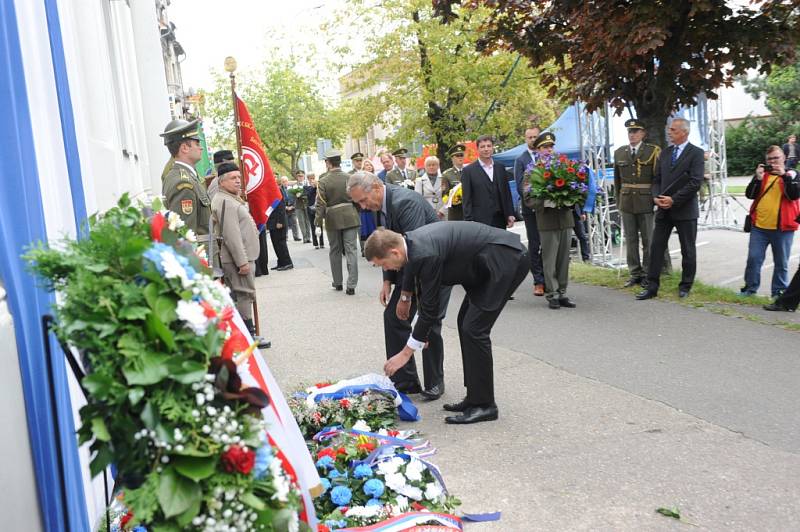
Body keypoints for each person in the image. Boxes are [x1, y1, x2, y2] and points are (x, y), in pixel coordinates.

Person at [366, 224, 528, 424]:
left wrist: (405, 353)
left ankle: (485, 405)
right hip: (486, 264)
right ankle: (475, 397)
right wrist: (418, 330)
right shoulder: (410, 245)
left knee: (475, 329)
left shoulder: (424, 252)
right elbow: (422, 293)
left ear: (394, 252)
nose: (386, 269)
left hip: (505, 261)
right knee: (465, 323)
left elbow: (430, 309)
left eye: (383, 264)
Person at [348, 172, 449, 399]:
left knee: (429, 320)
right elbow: (384, 244)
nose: (363, 207)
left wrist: (405, 296)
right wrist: (387, 281)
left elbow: (413, 252)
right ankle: (404, 380)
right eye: (359, 203)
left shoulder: (405, 203)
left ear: (375, 187)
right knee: (393, 317)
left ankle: (434, 382)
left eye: (363, 200)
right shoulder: (378, 207)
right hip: (409, 269)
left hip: (436, 267)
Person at [637, 117, 704, 300]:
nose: (669, 132)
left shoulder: (696, 153)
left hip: (685, 210)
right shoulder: (665, 153)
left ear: (685, 132)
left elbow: (695, 182)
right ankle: (652, 286)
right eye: (669, 129)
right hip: (663, 209)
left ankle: (685, 285)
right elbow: (656, 179)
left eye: (673, 130)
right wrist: (656, 197)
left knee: (687, 250)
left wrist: (674, 200)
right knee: (656, 247)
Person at [211, 163, 269, 348]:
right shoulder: (226, 201)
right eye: (232, 178)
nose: (237, 181)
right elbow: (231, 234)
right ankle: (248, 337)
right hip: (237, 259)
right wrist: (242, 261)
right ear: (221, 182)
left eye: (238, 177)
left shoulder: (230, 199)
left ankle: (245, 335)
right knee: (244, 295)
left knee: (243, 295)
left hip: (242, 257)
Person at [613, 118, 671, 288]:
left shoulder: (653, 151)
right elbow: (617, 181)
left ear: (643, 134)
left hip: (646, 201)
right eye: (630, 132)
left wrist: (656, 198)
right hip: (626, 201)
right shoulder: (620, 152)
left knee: (648, 239)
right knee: (630, 240)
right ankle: (635, 273)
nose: (632, 135)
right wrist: (619, 201)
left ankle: (648, 273)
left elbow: (657, 178)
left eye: (636, 131)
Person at [523, 132, 577, 309]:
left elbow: (575, 187)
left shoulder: (563, 166)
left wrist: (570, 198)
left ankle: (562, 292)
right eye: (544, 147)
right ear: (537, 150)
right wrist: (545, 201)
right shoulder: (532, 170)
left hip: (565, 219)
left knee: (563, 258)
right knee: (549, 259)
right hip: (546, 220)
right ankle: (552, 293)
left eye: (550, 147)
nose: (548, 150)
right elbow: (528, 198)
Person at [740, 146, 800, 297]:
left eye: (776, 158)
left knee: (781, 262)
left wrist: (784, 176)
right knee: (753, 259)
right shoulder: (763, 174)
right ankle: (749, 289)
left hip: (783, 228)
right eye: (770, 159)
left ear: (784, 158)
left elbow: (793, 196)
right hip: (759, 227)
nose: (773, 162)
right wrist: (758, 179)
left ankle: (778, 291)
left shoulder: (793, 174)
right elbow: (750, 195)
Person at [315, 149, 360, 294]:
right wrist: (355, 211)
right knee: (351, 250)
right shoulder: (350, 177)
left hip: (332, 217)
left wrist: (317, 222)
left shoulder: (323, 181)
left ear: (328, 163)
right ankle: (351, 285)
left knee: (335, 250)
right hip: (350, 215)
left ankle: (338, 282)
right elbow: (357, 197)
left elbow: (321, 203)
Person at [159, 119, 212, 240]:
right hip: (201, 256)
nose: (201, 148)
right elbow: (185, 237)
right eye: (197, 143)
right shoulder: (183, 183)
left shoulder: (184, 176)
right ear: (184, 148)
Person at [514, 126, 546, 296]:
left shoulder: (547, 156)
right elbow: (521, 186)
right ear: (525, 139)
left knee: (547, 244)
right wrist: (534, 202)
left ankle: (549, 277)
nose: (533, 139)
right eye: (530, 137)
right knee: (535, 244)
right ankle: (538, 281)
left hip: (548, 210)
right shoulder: (520, 159)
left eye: (535, 136)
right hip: (530, 209)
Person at [461, 135, 515, 229]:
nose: (486, 149)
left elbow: (507, 192)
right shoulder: (468, 171)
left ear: (492, 148)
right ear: (477, 149)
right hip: (480, 220)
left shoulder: (500, 167)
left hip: (501, 218)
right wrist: (469, 220)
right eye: (482, 147)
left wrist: (510, 213)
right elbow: (467, 199)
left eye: (489, 146)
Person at [268, 179, 294, 271]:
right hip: (272, 221)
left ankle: (287, 263)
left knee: (281, 243)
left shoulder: (277, 191)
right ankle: (281, 262)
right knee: (276, 244)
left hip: (278, 222)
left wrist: (280, 221)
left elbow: (281, 207)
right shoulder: (271, 191)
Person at [357, 159, 379, 256]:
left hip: (376, 205)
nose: (369, 166)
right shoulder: (360, 178)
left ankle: (376, 250)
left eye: (370, 165)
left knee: (376, 229)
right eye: (366, 165)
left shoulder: (376, 177)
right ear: (363, 167)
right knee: (367, 230)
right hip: (366, 208)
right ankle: (368, 250)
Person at [441, 144, 465, 221]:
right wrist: (454, 199)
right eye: (457, 155)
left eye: (461, 155)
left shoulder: (469, 171)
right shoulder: (447, 174)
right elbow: (444, 194)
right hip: (455, 212)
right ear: (452, 158)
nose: (460, 157)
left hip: (469, 211)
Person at [305, 173, 325, 249]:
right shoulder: (306, 187)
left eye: (313, 178)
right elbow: (308, 195)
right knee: (313, 225)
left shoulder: (318, 186)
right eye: (310, 178)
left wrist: (317, 186)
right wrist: (313, 187)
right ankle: (315, 243)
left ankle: (322, 243)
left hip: (318, 208)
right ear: (308, 179)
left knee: (319, 224)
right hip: (310, 208)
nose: (312, 180)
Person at [292, 170, 312, 244]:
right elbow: (292, 196)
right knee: (301, 222)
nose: (300, 177)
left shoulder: (307, 184)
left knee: (307, 221)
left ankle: (308, 237)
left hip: (307, 204)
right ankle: (305, 237)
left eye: (302, 176)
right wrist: (296, 195)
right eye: (299, 176)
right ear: (297, 177)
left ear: (304, 176)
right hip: (298, 205)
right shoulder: (294, 185)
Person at [280, 176, 302, 242]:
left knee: (294, 222)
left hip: (292, 207)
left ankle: (296, 236)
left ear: (288, 181)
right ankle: (285, 237)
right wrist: (285, 207)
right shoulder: (279, 189)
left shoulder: (292, 188)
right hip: (284, 208)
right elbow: (279, 200)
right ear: (281, 182)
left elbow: (296, 198)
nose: (285, 183)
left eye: (286, 181)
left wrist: (293, 206)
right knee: (285, 223)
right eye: (283, 181)